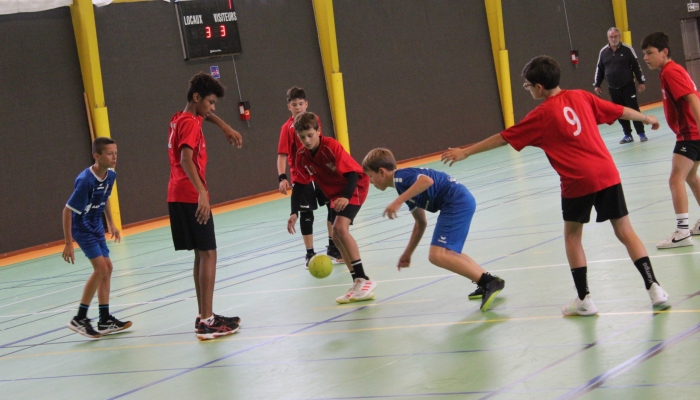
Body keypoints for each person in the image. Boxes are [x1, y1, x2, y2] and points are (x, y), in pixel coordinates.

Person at [442, 55, 670, 315]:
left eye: (528, 86)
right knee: (625, 231)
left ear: (539, 87)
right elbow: (619, 111)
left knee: (572, 236)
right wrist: (646, 119)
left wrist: (466, 152)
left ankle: (584, 299)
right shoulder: (582, 97)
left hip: (577, 182)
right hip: (607, 173)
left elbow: (504, 138)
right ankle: (655, 289)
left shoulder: (541, 115)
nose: (528, 90)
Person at [362, 148, 505, 311]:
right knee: (449, 253)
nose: (371, 182)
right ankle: (489, 281)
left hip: (455, 202)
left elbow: (427, 181)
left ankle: (488, 283)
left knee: (437, 255)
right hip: (460, 201)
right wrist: (408, 252)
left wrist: (398, 201)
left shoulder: (401, 177)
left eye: (371, 177)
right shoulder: (404, 186)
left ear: (381, 172)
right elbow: (420, 223)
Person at [168, 72, 243, 340]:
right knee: (209, 254)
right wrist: (202, 192)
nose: (212, 108)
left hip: (177, 194)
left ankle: (204, 316)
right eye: (210, 102)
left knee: (201, 255)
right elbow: (185, 158)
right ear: (196, 98)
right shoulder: (190, 124)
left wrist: (223, 125)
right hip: (191, 195)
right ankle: (207, 321)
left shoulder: (180, 118)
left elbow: (204, 116)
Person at [292, 112, 376, 303]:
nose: (306, 140)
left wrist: (346, 196)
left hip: (353, 187)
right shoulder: (302, 157)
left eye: (310, 135)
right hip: (335, 195)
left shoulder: (331, 146)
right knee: (336, 237)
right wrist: (293, 212)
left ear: (318, 131)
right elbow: (299, 184)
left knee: (339, 228)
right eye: (302, 137)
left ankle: (364, 278)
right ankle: (357, 281)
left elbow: (354, 174)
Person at [63, 137, 132, 338]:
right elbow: (67, 211)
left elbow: (105, 198)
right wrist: (68, 242)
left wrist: (111, 223)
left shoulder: (110, 176)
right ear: (97, 156)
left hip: (96, 226)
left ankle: (104, 320)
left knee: (108, 268)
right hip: (82, 228)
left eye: (116, 153)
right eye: (109, 154)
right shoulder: (86, 180)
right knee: (100, 268)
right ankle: (80, 318)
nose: (114, 157)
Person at [642, 32, 700, 249]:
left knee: (675, 179)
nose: (646, 58)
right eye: (644, 54)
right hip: (692, 133)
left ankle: (683, 232)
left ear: (664, 52)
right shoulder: (670, 71)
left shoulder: (671, 72)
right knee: (691, 176)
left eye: (650, 53)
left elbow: (693, 99)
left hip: (690, 134)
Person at [277, 86, 343, 267]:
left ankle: (333, 246)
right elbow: (282, 154)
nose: (298, 107)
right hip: (302, 177)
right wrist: (282, 177)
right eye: (294, 104)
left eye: (300, 103)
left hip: (320, 174)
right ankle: (309, 253)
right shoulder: (287, 128)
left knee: (333, 206)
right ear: (288, 107)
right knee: (307, 214)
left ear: (306, 104)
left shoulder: (315, 120)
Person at [594, 27, 648, 144]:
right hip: (613, 88)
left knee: (633, 109)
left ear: (620, 37)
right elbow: (600, 69)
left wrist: (641, 82)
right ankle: (627, 135)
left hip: (628, 86)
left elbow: (636, 66)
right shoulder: (603, 52)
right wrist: (597, 84)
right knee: (619, 112)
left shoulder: (628, 50)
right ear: (608, 38)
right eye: (611, 37)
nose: (613, 39)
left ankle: (641, 133)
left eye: (615, 36)